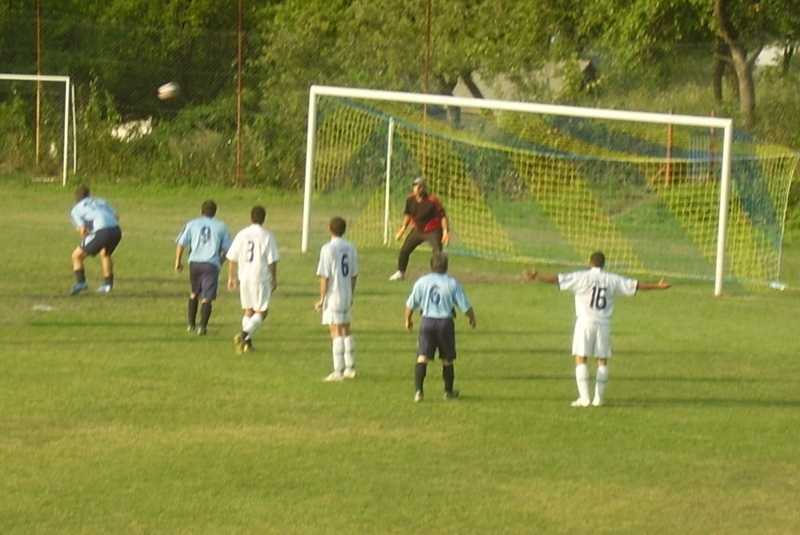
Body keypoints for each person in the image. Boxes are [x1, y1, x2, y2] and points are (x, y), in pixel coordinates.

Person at [524, 251, 672, 408]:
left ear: (590, 262)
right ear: (603, 264)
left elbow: (557, 279)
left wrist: (537, 277)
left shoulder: (582, 277)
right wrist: (657, 286)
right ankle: (598, 399)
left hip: (585, 321)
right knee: (602, 360)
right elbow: (635, 285)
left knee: (581, 357)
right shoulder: (612, 279)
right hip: (603, 323)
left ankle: (585, 398)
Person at [405, 252, 476, 402]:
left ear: (431, 266)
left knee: (422, 357)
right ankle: (448, 392)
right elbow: (464, 304)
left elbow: (411, 304)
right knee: (447, 359)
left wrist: (408, 319)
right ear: (446, 267)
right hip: (445, 323)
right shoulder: (452, 283)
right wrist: (472, 318)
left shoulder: (422, 282)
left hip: (427, 322)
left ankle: (418, 392)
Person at [226, 205, 280, 355]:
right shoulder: (266, 236)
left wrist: (231, 276)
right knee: (262, 312)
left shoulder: (242, 234)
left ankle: (247, 344)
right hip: (260, 277)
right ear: (264, 219)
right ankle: (243, 335)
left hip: (244, 276)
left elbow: (232, 257)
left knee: (248, 310)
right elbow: (272, 260)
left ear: (250, 218)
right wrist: (274, 279)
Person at [174, 200, 232, 335]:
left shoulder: (193, 224)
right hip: (211, 264)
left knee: (194, 292)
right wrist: (220, 260)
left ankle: (190, 324)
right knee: (207, 297)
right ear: (215, 213)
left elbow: (181, 243)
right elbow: (229, 249)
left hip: (195, 262)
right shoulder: (221, 226)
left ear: (201, 211)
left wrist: (178, 262)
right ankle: (202, 327)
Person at [315, 216, 359, 382]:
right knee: (346, 330)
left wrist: (321, 299)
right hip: (347, 293)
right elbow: (354, 275)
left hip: (334, 294)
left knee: (335, 332)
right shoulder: (351, 247)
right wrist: (351, 293)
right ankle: (350, 367)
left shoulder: (328, 249)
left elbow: (325, 277)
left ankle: (338, 371)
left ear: (329, 229)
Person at [389, 176, 450, 281]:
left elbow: (442, 216)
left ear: (424, 188)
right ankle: (401, 272)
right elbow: (408, 214)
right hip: (418, 230)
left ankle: (439, 276)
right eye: (415, 186)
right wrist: (403, 228)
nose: (417, 189)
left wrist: (445, 231)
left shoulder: (432, 201)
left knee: (437, 252)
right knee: (404, 250)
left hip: (433, 230)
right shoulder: (410, 199)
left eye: (419, 186)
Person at [69, 185, 123, 295]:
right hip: (116, 230)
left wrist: (88, 241)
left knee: (76, 256)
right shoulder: (100, 201)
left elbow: (82, 229)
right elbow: (116, 217)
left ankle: (81, 283)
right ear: (89, 195)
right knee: (105, 254)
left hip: (102, 232)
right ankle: (108, 285)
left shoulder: (76, 209)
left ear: (76, 199)